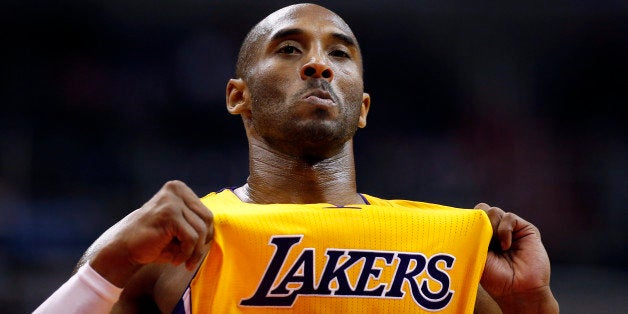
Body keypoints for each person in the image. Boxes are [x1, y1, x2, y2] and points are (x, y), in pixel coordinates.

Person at [34, 3, 559, 313]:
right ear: (237, 95)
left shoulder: (450, 253)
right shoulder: (178, 243)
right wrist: (107, 269)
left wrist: (532, 306)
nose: (318, 65)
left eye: (339, 53)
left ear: (363, 108)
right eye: (289, 49)